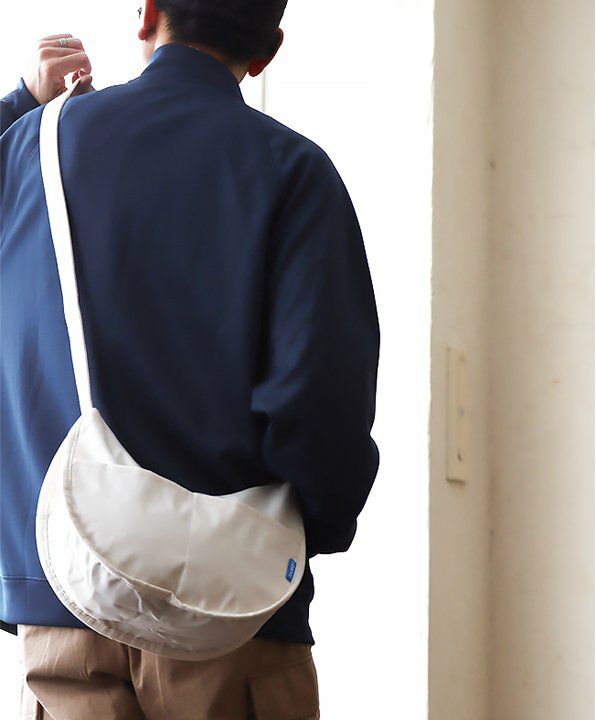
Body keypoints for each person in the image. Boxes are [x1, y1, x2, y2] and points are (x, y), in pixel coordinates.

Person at [0, 1, 381, 717]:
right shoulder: (294, 171)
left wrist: (22, 102)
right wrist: (316, 528)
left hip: (65, 611)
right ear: (267, 50)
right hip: (234, 615)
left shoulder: (35, 147)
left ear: (147, 12)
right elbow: (319, 403)